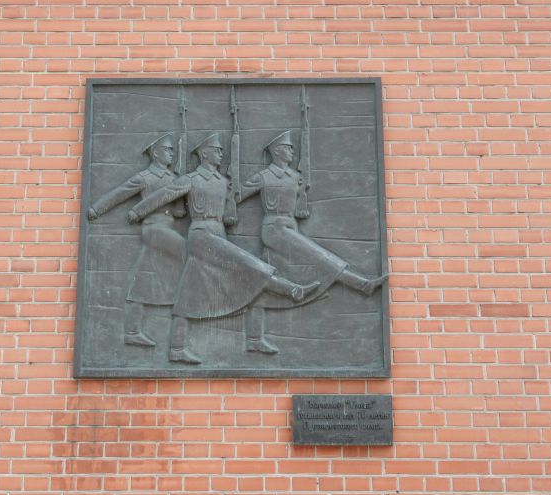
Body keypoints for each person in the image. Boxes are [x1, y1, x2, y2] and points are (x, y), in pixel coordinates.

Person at [128, 132, 320, 364]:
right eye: (216, 151)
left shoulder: (222, 182)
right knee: (247, 264)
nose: (221, 154)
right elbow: (164, 195)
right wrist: (137, 211)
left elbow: (237, 201)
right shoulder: (191, 179)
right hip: (201, 235)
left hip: (218, 232)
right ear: (204, 154)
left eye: (221, 151)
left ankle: (177, 348)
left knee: (190, 291)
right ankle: (291, 289)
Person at [236, 130, 389, 353]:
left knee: (264, 283)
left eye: (292, 148)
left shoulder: (294, 177)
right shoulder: (264, 176)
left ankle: (253, 339)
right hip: (274, 229)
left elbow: (300, 208)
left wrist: (302, 190)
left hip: (291, 226)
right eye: (288, 148)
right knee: (319, 256)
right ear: (277, 152)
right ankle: (361, 284)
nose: (292, 151)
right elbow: (237, 196)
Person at [87, 133, 187, 348]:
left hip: (166, 229)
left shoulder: (173, 177)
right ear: (156, 153)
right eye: (168, 150)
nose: (172, 153)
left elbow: (179, 213)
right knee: (189, 253)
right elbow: (120, 193)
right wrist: (97, 209)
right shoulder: (145, 177)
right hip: (154, 229)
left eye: (172, 150)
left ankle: (132, 331)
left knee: (142, 280)